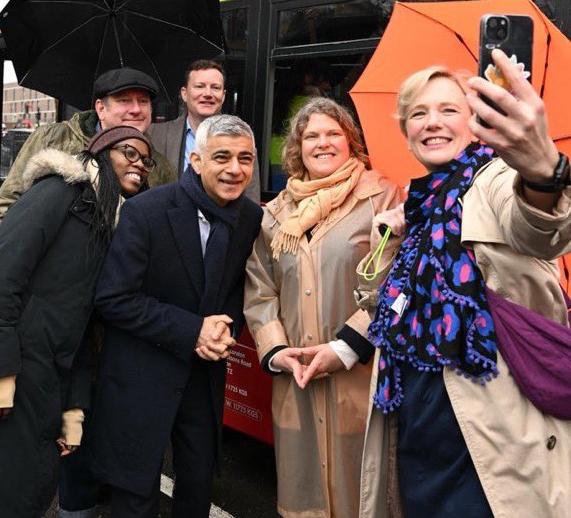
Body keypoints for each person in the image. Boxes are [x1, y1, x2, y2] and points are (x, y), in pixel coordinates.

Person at [358, 50, 571, 518]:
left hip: (487, 431)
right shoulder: (418, 204)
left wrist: (543, 172)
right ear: (405, 130)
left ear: (475, 120)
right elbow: (390, 308)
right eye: (418, 113)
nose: (432, 122)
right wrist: (388, 242)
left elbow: (538, 227)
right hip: (417, 416)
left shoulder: (497, 176)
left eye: (449, 109)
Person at [0, 126, 155, 518]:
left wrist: (74, 407)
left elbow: (84, 327)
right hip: (14, 370)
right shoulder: (57, 192)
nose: (140, 165)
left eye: (147, 161)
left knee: (31, 492)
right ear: (102, 150)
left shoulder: (106, 222)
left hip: (49, 382)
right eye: (130, 153)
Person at [87, 114, 263, 518]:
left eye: (245, 159)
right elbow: (113, 299)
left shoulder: (250, 218)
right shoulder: (146, 211)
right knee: (136, 496)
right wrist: (193, 330)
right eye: (222, 157)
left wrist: (225, 326)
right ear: (196, 160)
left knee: (198, 488)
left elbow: (234, 286)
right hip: (140, 375)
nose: (235, 169)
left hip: (203, 380)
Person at [244, 97, 401, 518]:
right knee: (302, 496)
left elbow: (396, 285)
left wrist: (346, 348)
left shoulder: (383, 199)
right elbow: (260, 291)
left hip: (360, 375)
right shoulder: (276, 214)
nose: (323, 143)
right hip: (296, 379)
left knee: (364, 494)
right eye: (311, 135)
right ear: (297, 147)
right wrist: (277, 352)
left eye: (333, 133)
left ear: (351, 141)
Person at [0, 67, 176, 238]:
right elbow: (6, 206)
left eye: (143, 101)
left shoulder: (158, 167)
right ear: (101, 109)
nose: (136, 109)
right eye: (124, 101)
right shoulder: (52, 139)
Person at [149, 59, 261, 200]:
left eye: (215, 88)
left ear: (224, 95)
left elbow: (251, 198)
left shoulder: (242, 140)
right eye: (199, 86)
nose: (208, 93)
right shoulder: (155, 134)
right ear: (184, 94)